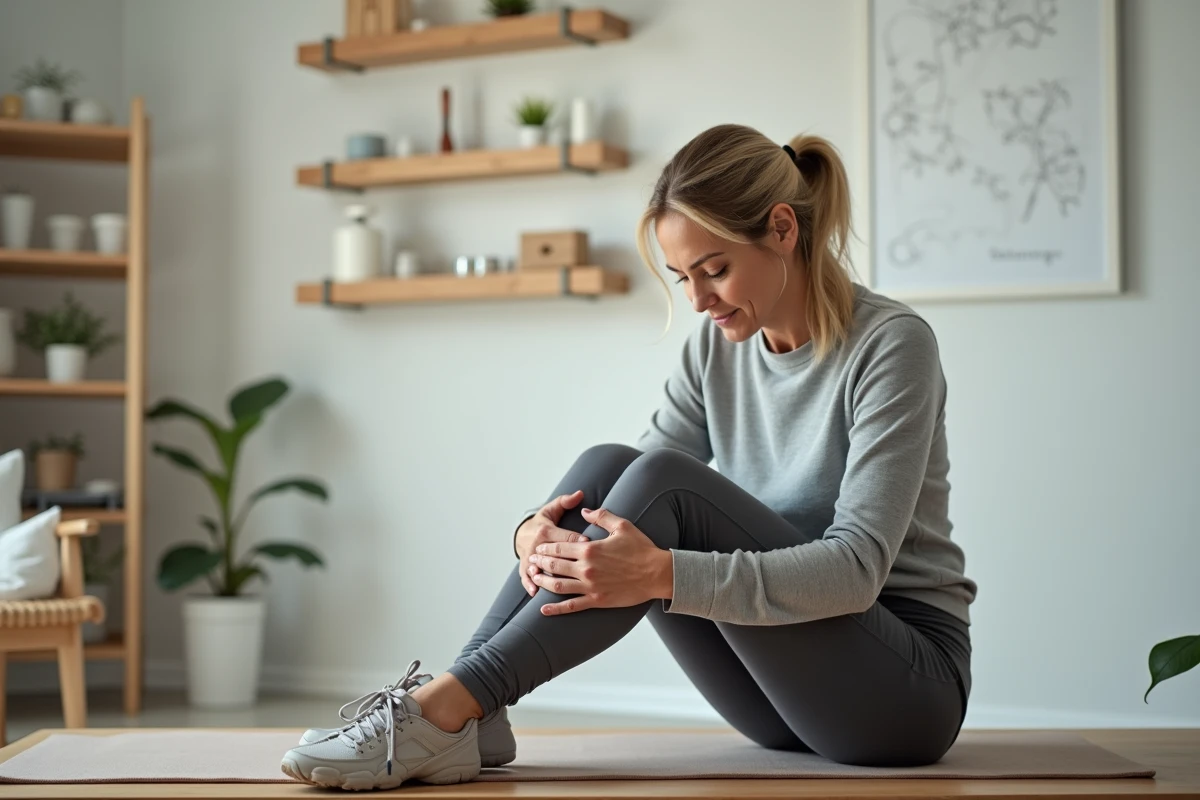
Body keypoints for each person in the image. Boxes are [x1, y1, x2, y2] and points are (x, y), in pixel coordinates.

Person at [280, 124, 978, 790]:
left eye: (715, 270)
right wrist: (530, 530)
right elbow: (624, 495)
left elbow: (856, 572)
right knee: (608, 465)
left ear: (783, 229)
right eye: (683, 279)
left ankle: (449, 707)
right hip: (785, 700)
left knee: (663, 490)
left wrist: (664, 574)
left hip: (901, 692)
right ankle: (474, 710)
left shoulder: (891, 346)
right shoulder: (716, 348)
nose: (701, 301)